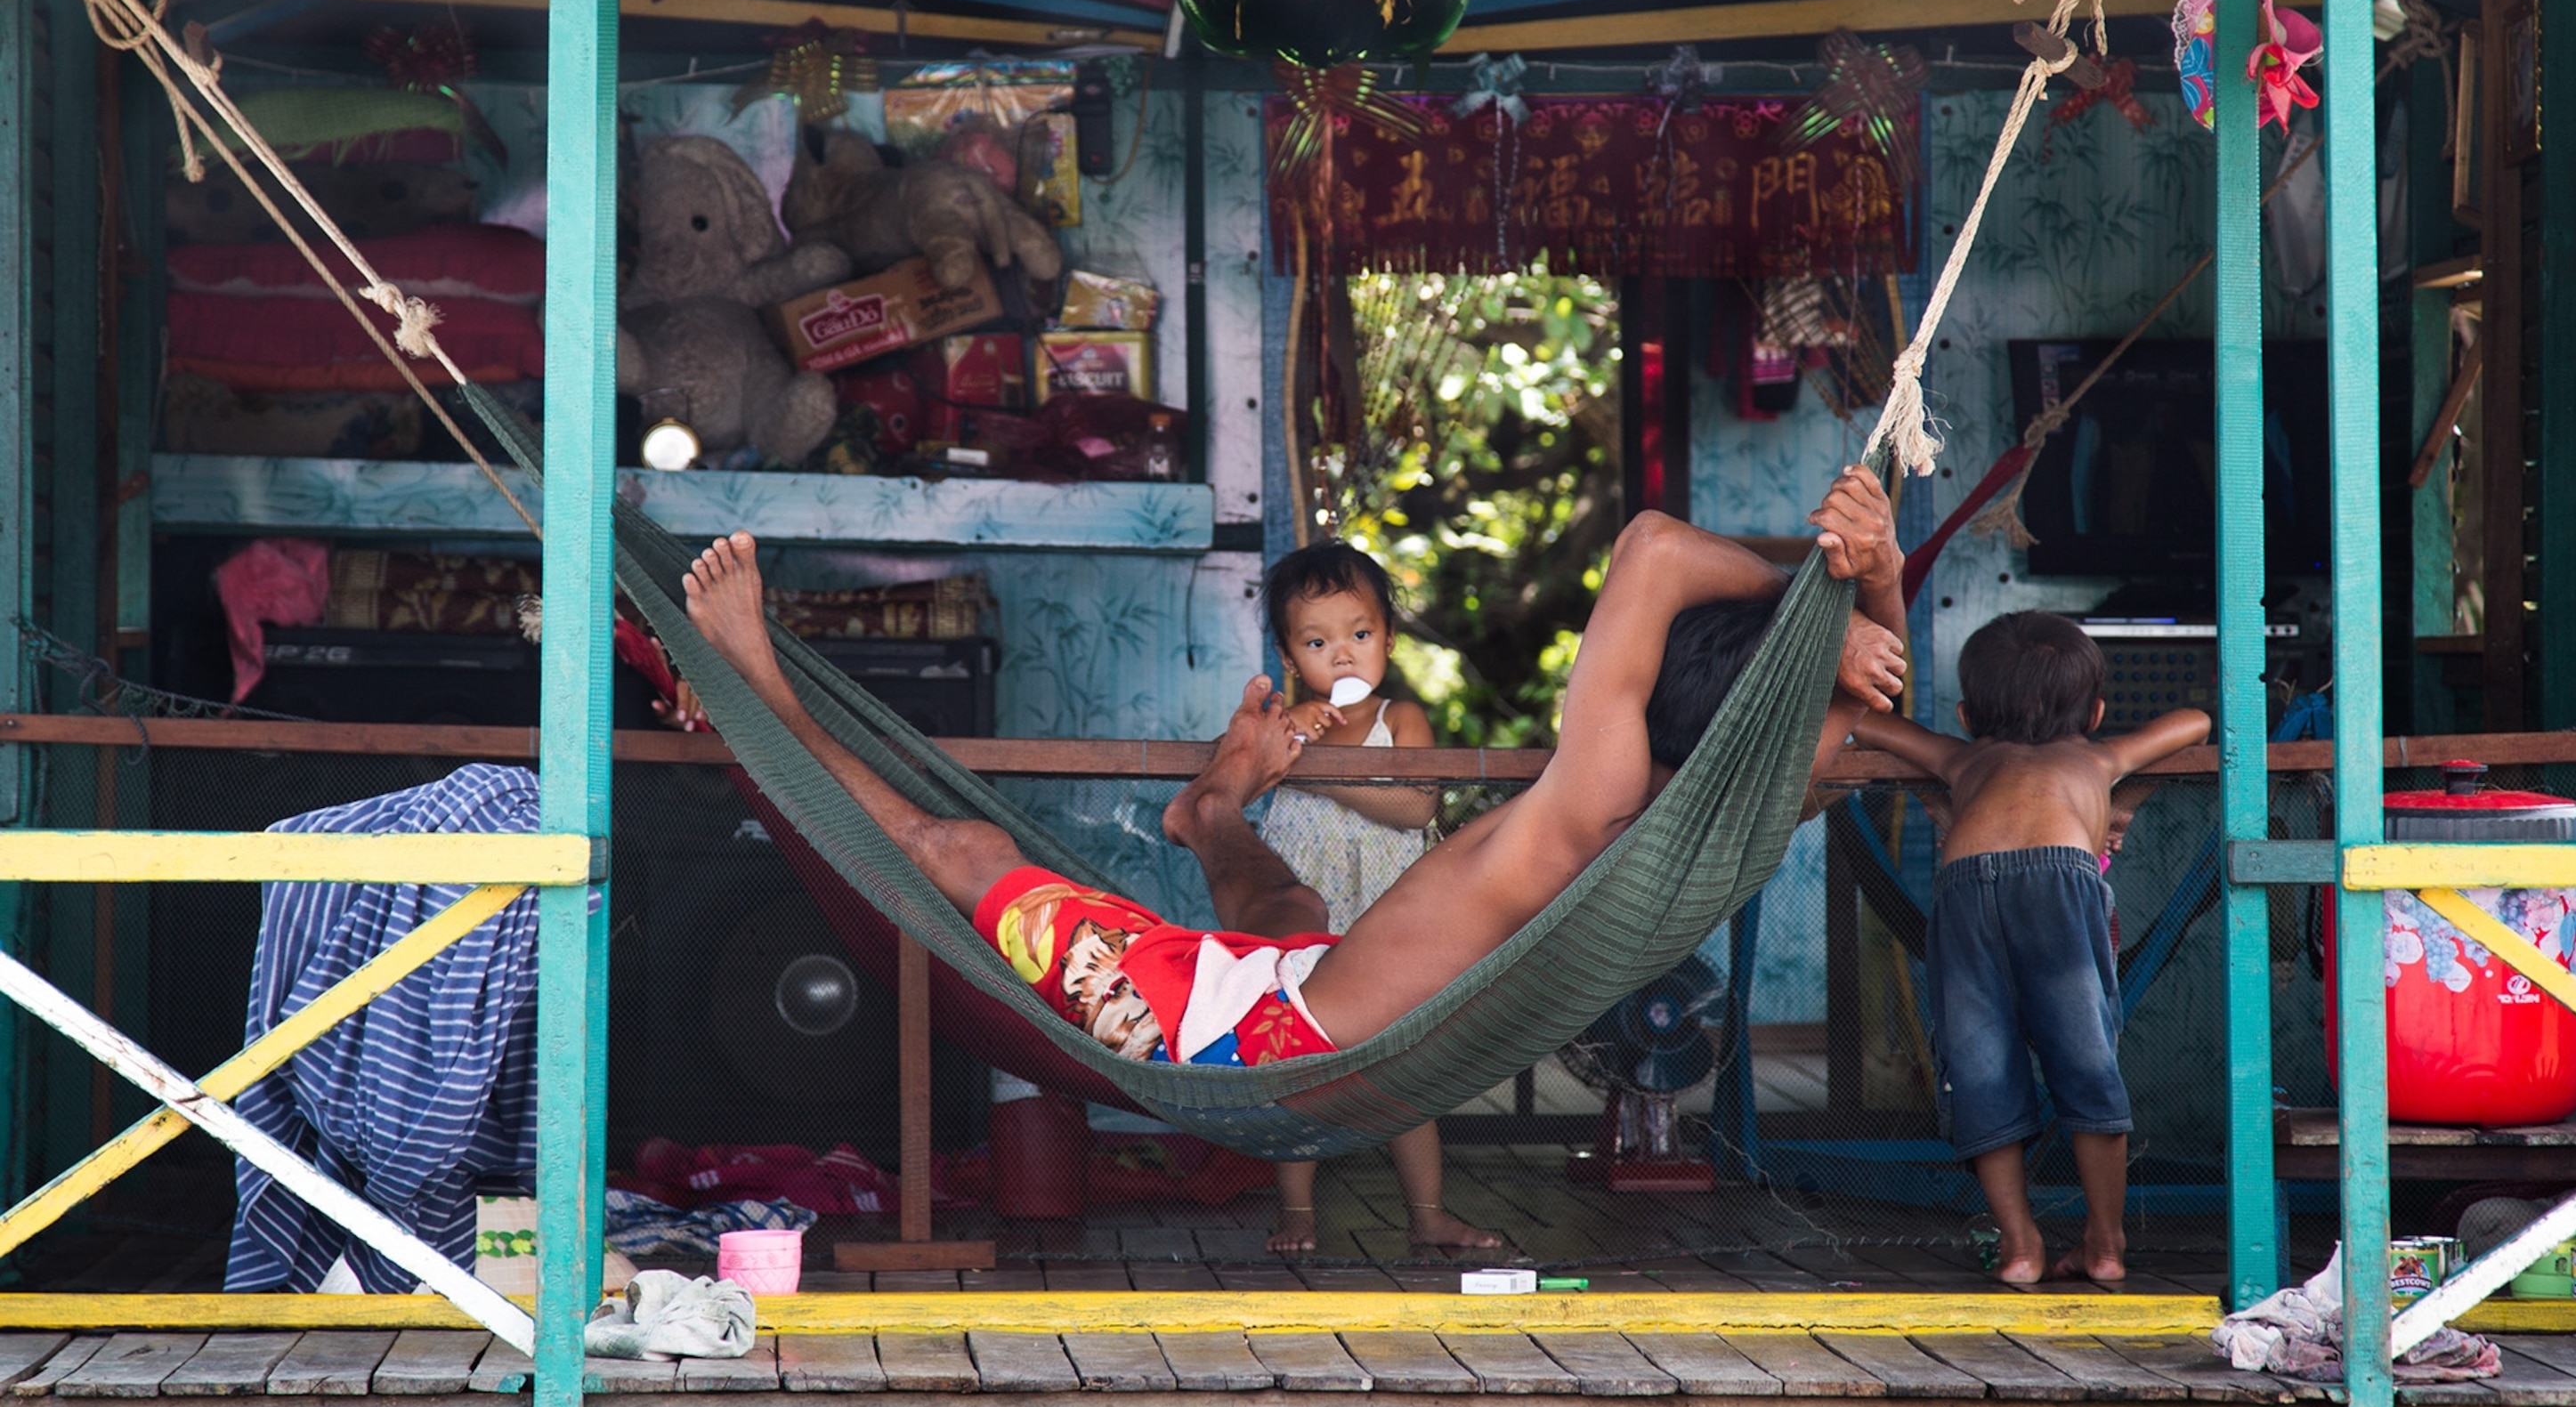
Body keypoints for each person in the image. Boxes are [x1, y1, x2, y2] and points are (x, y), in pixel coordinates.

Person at [671, 465, 1908, 1133]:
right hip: (1302, 1012)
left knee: (959, 843)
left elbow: (1650, 547)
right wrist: (1866, 591)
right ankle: (1212, 813)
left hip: (1255, 1050)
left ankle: (756, 692)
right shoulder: (1686, 828)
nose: (1831, 730)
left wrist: (1825, 603)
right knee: (1290, 904)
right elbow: (1876, 723)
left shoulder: (1597, 800)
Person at [1848, 611, 2210, 1285]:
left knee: (1980, 1068)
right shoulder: (2097, 758)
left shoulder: (1964, 757)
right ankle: (2105, 1245)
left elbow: (1867, 724)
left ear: (1965, 711)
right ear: (2096, 711)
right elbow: (2195, 723)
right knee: (2088, 1065)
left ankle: (2020, 1247)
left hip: (1965, 892)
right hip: (2059, 885)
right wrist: (2117, 789)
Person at [1251, 540, 1487, 1253]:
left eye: (1360, 635)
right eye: (1319, 642)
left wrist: (1319, 771)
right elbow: (1244, 789)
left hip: (1388, 925)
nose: (1344, 656)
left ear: (1388, 637)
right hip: (1306, 929)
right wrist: (1292, 743)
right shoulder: (1283, 728)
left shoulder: (1401, 720)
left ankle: (1427, 1213)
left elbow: (1416, 809)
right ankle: (1296, 1211)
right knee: (1296, 1064)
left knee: (1401, 1069)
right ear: (1292, 659)